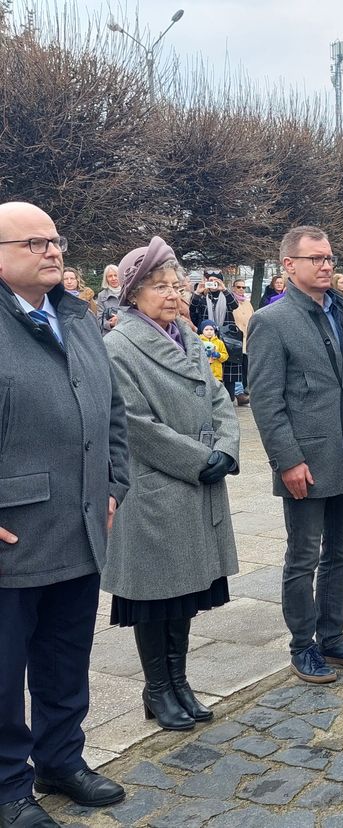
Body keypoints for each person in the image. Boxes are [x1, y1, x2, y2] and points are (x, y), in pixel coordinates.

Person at [0, 201, 130, 826]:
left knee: (65, 652)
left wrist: (114, 483)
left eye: (55, 239)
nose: (52, 251)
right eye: (33, 243)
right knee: (3, 668)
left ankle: (61, 758)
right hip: (12, 532)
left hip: (79, 523)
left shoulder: (76, 318)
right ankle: (7, 786)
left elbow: (113, 410)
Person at [102, 237, 239, 732]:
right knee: (154, 597)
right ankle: (156, 687)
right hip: (156, 488)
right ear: (133, 293)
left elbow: (220, 396)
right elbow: (134, 424)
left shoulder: (184, 333)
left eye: (174, 284)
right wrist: (200, 459)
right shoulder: (119, 346)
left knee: (186, 593)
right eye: (158, 286)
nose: (170, 294)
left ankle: (179, 681)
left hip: (199, 483)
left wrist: (227, 447)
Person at [248, 226, 343, 684]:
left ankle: (333, 638)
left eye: (328, 257)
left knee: (340, 555)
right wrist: (287, 460)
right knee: (303, 556)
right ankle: (302, 645)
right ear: (288, 266)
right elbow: (266, 401)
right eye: (314, 259)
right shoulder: (272, 321)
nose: (326, 265)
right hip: (305, 460)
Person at [191, 273, 248, 405]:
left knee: (229, 370)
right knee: (207, 368)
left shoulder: (226, 296)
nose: (212, 284)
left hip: (226, 337)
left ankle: (228, 399)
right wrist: (197, 292)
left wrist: (224, 289)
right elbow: (193, 312)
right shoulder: (203, 297)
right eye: (209, 281)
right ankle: (209, 400)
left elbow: (234, 305)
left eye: (215, 281)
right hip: (206, 337)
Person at [96, 264, 123, 333]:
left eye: (115, 275)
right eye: (110, 276)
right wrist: (111, 324)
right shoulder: (101, 296)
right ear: (106, 279)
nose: (113, 278)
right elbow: (99, 320)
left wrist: (120, 318)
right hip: (111, 334)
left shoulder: (128, 292)